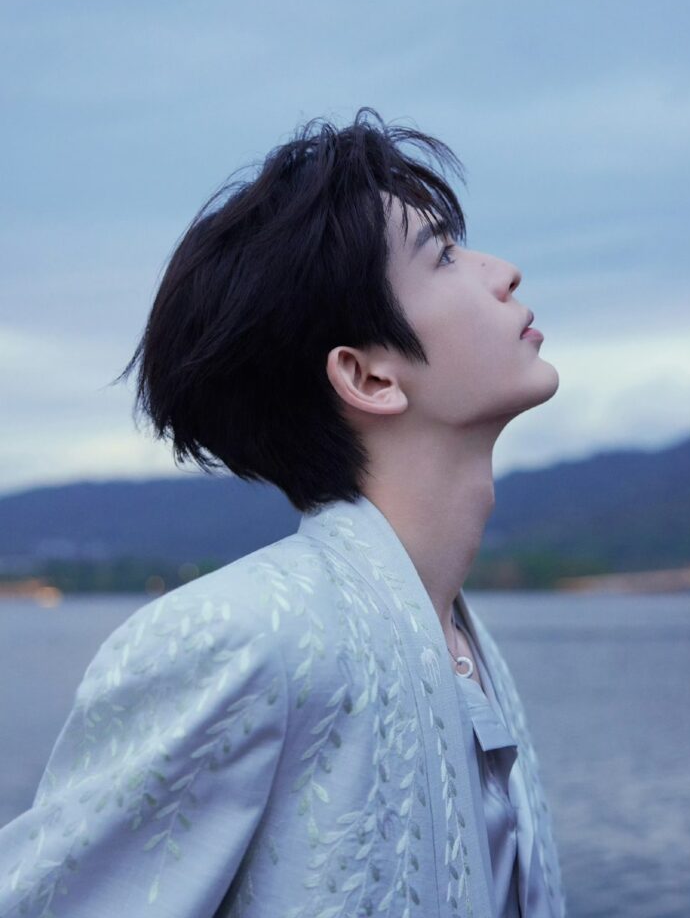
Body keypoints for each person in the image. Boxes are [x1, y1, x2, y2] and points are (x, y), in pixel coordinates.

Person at [0, 108, 566, 917]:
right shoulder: (239, 637)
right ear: (367, 377)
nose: (503, 272)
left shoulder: (460, 637)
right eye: (443, 255)